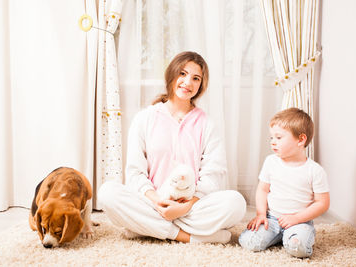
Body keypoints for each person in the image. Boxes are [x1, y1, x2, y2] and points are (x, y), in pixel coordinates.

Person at [98, 51, 246, 244]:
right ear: (172, 75)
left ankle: (146, 228)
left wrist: (185, 207)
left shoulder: (208, 124)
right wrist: (157, 201)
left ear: (201, 85)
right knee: (108, 193)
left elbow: (213, 174)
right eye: (182, 74)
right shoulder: (144, 118)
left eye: (196, 78)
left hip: (191, 206)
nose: (188, 82)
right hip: (152, 202)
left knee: (236, 203)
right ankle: (186, 236)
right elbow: (135, 172)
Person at [239, 107, 330, 258]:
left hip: (300, 221)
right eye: (271, 138)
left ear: (301, 140)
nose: (273, 142)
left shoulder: (314, 170)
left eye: (279, 138)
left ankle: (293, 237)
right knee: (248, 242)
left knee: (298, 248)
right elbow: (262, 189)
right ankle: (279, 236)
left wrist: (296, 218)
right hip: (272, 219)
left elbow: (322, 203)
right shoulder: (271, 162)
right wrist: (261, 214)